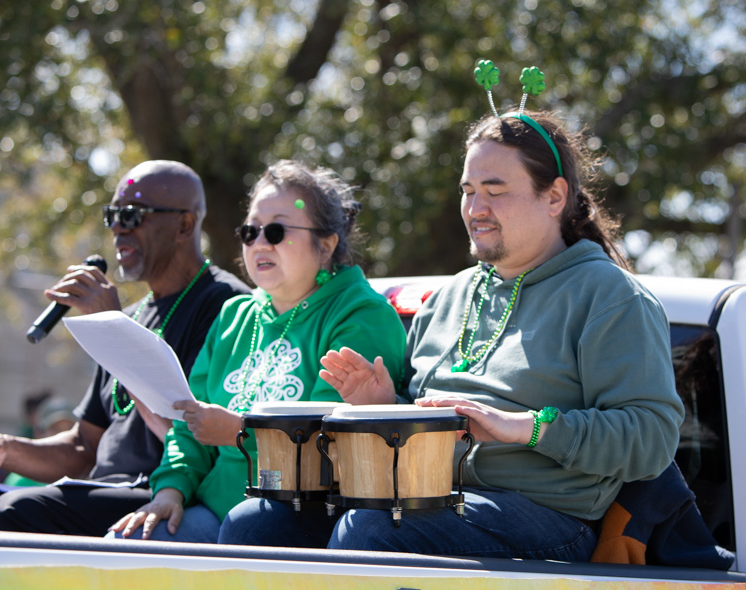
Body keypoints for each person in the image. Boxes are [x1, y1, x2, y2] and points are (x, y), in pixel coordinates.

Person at [285, 108, 685, 561]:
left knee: (373, 529)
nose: (476, 209)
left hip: (550, 519)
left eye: (495, 191)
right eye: (469, 191)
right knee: (261, 521)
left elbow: (652, 439)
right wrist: (385, 406)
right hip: (426, 495)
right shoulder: (448, 296)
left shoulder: (610, 296)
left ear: (555, 196)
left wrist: (526, 428)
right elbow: (436, 425)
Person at [0, 160, 251, 535]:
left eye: (131, 215)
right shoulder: (131, 315)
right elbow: (84, 448)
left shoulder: (226, 306)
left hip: (163, 491)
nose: (117, 228)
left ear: (184, 225)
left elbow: (190, 437)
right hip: (102, 487)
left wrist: (115, 333)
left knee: (14, 513)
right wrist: (4, 449)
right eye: (111, 215)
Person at [111, 160, 407, 544]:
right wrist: (170, 491)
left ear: (326, 245)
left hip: (306, 515)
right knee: (126, 544)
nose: (260, 243)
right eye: (250, 231)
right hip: (216, 509)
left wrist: (240, 432)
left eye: (277, 231)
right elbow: (189, 422)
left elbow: (334, 445)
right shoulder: (234, 316)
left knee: (245, 526)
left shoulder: (361, 315)